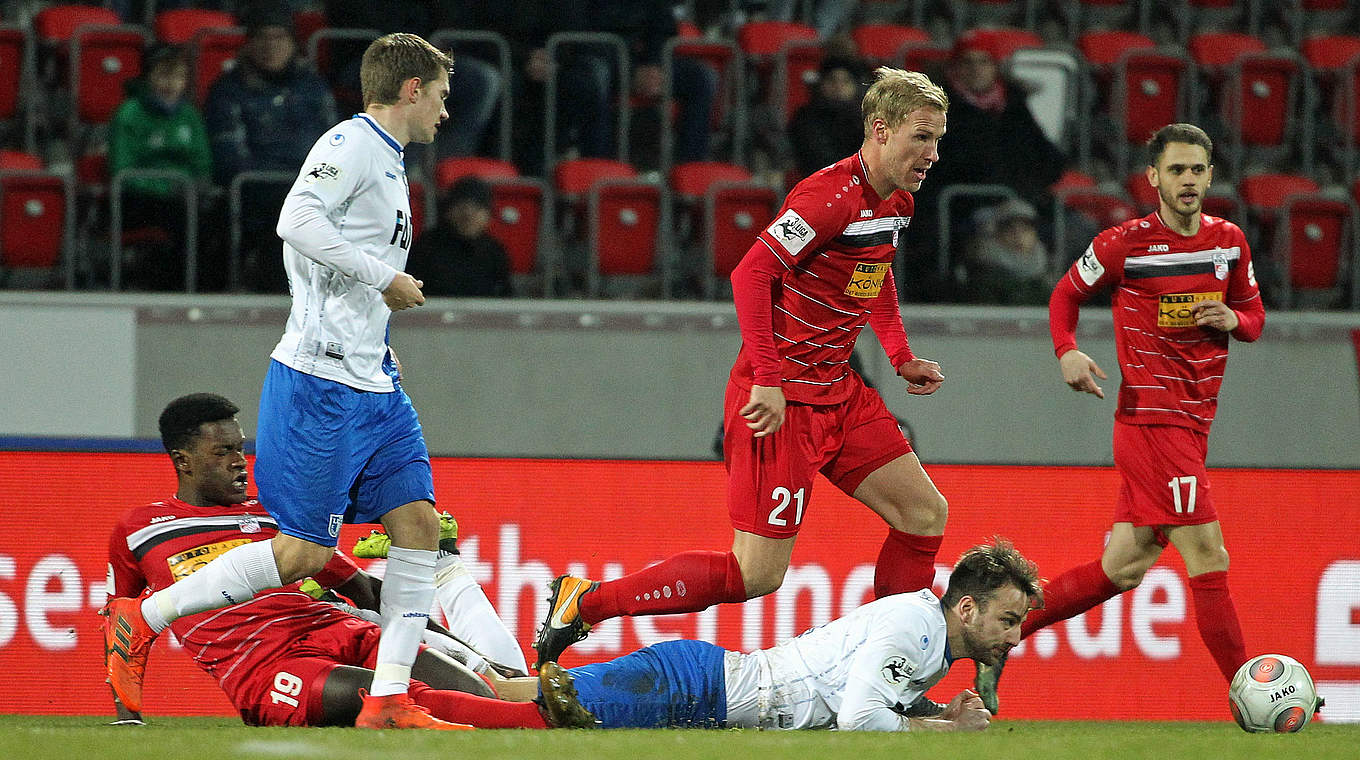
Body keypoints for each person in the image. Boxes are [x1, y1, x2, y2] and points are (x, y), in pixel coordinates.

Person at [102, 33, 464, 730]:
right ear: (411, 89)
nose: (447, 112)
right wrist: (382, 276)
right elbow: (294, 220)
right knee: (304, 552)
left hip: (374, 384)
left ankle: (388, 699)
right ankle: (141, 618)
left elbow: (337, 268)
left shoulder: (389, 165)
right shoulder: (352, 144)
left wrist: (375, 324)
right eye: (442, 96)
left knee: (419, 526)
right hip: (319, 383)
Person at [535, 67, 951, 667]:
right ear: (880, 131)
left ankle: (887, 668)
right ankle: (587, 602)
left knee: (924, 513)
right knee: (756, 573)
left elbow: (874, 275)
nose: (932, 153)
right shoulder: (827, 197)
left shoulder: (896, 201)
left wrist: (901, 355)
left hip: (840, 391)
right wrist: (770, 379)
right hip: (780, 404)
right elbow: (751, 273)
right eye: (922, 137)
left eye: (938, 139)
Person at [974, 123, 1266, 713]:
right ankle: (1251, 692)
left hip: (1193, 423)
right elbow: (1063, 296)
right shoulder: (1124, 245)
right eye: (1176, 170)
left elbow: (1254, 315)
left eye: (1197, 170)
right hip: (1153, 423)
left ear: (1211, 177)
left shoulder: (1230, 242)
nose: (1187, 180)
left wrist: (1233, 321)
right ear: (1153, 178)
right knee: (1209, 556)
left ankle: (1000, 642)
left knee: (1121, 568)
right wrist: (1068, 351)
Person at [103, 393, 592, 729]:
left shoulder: (273, 516)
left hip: (338, 629)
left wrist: (456, 647)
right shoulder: (139, 529)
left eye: (240, 449)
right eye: (222, 452)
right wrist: (128, 713)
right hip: (268, 667)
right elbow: (123, 627)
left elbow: (365, 591)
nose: (238, 461)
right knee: (383, 697)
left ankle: (601, 702)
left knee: (483, 691)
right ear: (182, 460)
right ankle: (543, 720)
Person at [515, 539, 1037, 730]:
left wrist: (938, 712)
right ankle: (429, 697)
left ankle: (444, 682)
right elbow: (859, 717)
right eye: (1009, 621)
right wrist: (948, 732)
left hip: (711, 694)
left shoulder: (935, 645)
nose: (1015, 639)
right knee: (540, 717)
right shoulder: (915, 626)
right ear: (967, 608)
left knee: (527, 696)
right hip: (694, 686)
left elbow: (875, 700)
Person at [901, 29, 1065, 302]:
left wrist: (1024, 187)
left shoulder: (1013, 107)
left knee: (1076, 228)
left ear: (995, 68)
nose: (976, 70)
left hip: (1017, 199)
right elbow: (935, 165)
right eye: (968, 62)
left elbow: (1050, 161)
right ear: (955, 67)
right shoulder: (937, 110)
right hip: (962, 206)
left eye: (984, 62)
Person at [203, 3, 338, 292]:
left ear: (293, 43)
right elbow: (229, 159)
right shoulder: (228, 90)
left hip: (311, 191)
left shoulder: (313, 87)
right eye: (263, 38)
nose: (271, 46)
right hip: (258, 194)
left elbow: (334, 147)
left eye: (279, 38)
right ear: (249, 44)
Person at [108, 43, 212, 291]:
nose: (170, 84)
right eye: (163, 75)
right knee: (180, 218)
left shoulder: (189, 115)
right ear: (147, 78)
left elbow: (201, 162)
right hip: (138, 198)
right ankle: (174, 289)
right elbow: (123, 171)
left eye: (178, 76)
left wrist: (196, 185)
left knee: (215, 217)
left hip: (184, 195)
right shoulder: (129, 114)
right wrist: (166, 188)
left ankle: (208, 290)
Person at [406, 175, 513, 297]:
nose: (468, 215)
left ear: (488, 215)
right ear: (448, 211)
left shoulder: (495, 253)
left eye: (476, 209)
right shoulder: (425, 248)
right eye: (461, 207)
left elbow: (505, 300)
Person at [787, 56, 867, 180]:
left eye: (846, 81)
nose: (838, 87)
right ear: (821, 85)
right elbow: (816, 161)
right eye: (832, 81)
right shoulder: (806, 119)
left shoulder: (866, 120)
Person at [960, 198, 1051, 305]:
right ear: (997, 234)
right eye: (1010, 229)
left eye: (1025, 229)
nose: (1018, 236)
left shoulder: (1046, 274)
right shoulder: (983, 275)